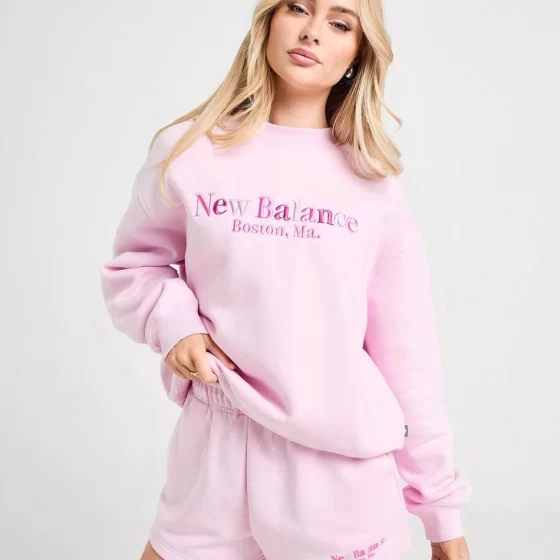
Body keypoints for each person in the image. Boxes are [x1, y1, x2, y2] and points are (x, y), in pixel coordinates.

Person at [100, 1, 472, 559]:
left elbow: (408, 358)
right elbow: (136, 265)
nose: (313, 31)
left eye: (340, 23)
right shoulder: (189, 150)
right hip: (211, 456)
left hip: (336, 472)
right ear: (269, 21)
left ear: (357, 54)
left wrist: (441, 512)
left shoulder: (373, 185)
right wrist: (176, 323)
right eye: (298, 7)